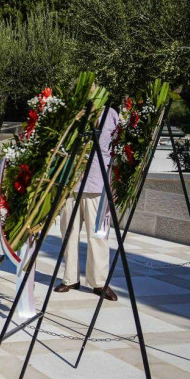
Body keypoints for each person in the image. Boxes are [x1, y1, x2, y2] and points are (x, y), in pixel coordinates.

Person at [55, 106, 120, 301]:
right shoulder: (75, 109)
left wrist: (115, 185)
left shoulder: (111, 114)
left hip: (98, 184)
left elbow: (117, 151)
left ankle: (99, 282)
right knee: (69, 232)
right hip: (71, 183)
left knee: (99, 235)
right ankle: (70, 278)